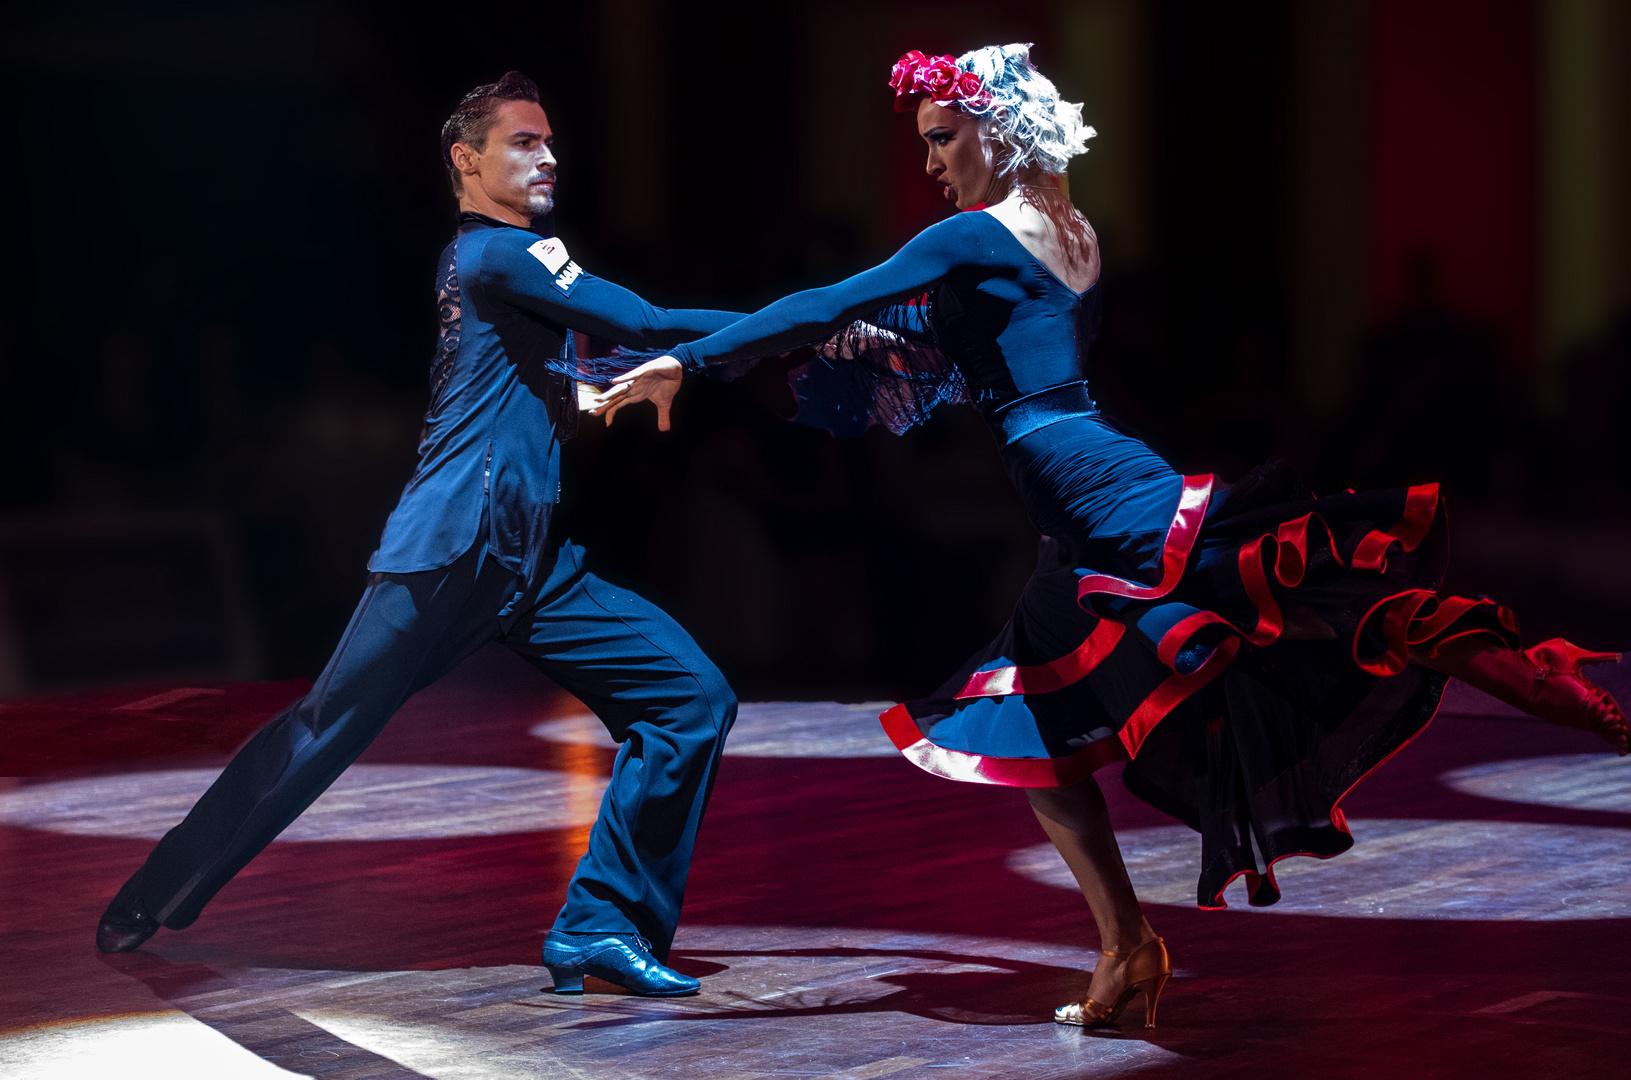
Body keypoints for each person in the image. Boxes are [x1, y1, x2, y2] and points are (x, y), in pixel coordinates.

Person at [586, 44, 1629, 1027]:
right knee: (1040, 733)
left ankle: (1552, 683)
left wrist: (691, 360)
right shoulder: (1067, 232)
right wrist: (661, 332)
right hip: (1077, 504)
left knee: (1321, 601)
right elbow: (861, 328)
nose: (930, 163)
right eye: (921, 143)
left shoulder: (980, 237)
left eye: (943, 137)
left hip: (1100, 496)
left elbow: (825, 303)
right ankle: (1128, 946)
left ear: (997, 129)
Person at [96, 72, 744, 998]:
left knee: (689, 698)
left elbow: (525, 389)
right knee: (324, 729)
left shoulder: (502, 275)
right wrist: (819, 321)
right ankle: (157, 892)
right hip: (451, 551)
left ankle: (601, 927)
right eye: (525, 141)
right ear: (465, 158)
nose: (549, 154)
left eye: (551, 141)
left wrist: (606, 389)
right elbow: (640, 318)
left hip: (528, 564)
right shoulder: (501, 255)